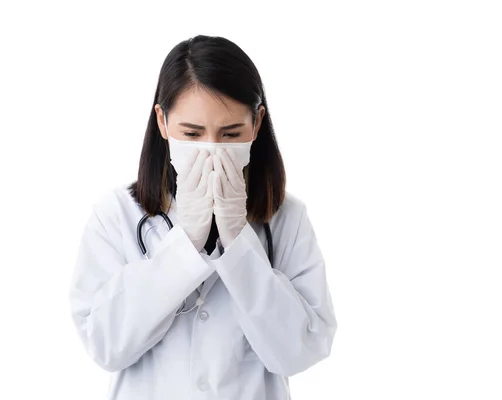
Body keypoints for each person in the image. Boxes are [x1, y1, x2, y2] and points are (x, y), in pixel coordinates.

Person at [68, 35, 337, 400]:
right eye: (192, 134)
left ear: (257, 124)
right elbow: (105, 345)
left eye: (231, 134)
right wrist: (183, 248)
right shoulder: (116, 215)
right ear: (162, 122)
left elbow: (300, 351)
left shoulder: (287, 218)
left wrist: (241, 244)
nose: (211, 150)